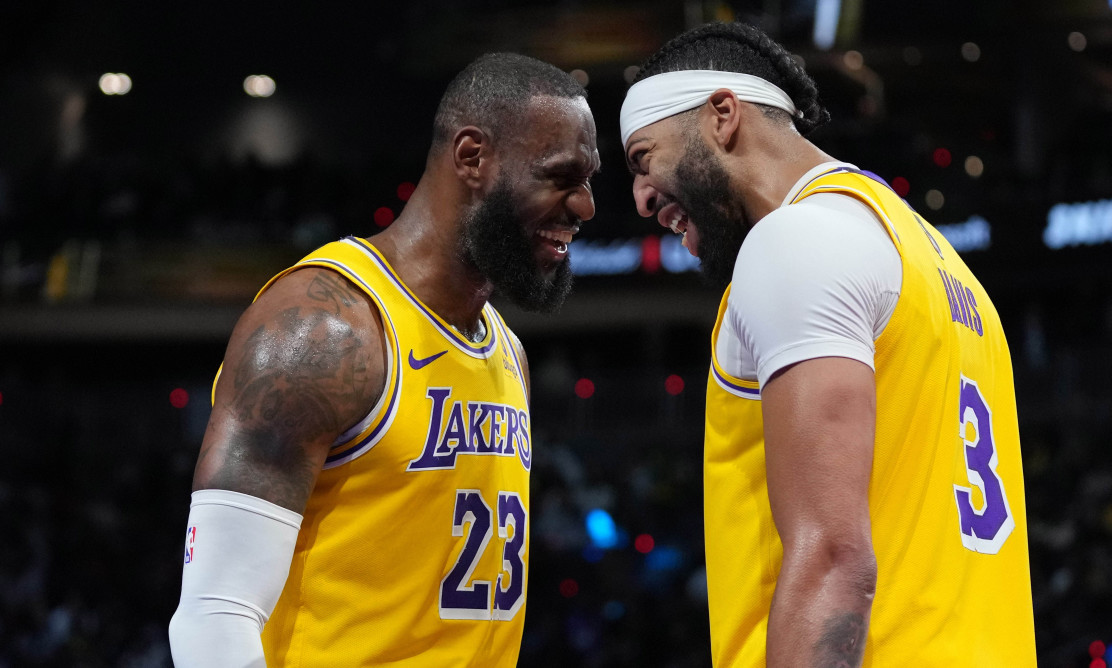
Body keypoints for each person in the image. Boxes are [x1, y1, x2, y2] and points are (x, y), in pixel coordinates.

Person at [619, 22, 1035, 667]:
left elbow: (833, 560)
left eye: (645, 158)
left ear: (722, 115)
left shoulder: (795, 240)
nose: (642, 198)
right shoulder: (938, 260)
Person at [168, 53, 599, 667]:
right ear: (472, 157)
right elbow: (214, 614)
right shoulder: (323, 329)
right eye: (560, 177)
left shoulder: (508, 353)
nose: (585, 206)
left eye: (589, 181)